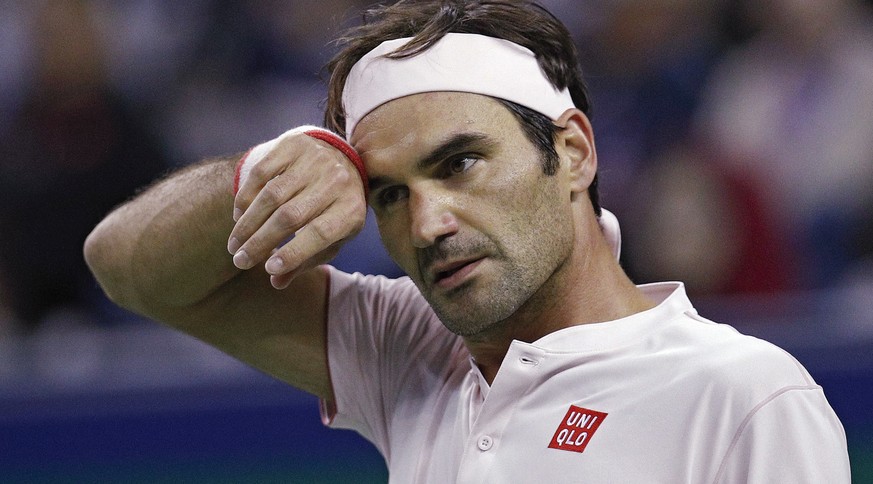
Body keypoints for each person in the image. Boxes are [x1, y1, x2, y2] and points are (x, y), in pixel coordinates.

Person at [84, 1, 850, 482]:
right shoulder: (412, 347)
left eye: (460, 164)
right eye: (388, 193)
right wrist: (264, 171)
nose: (426, 225)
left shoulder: (745, 394)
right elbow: (128, 269)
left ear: (574, 152)